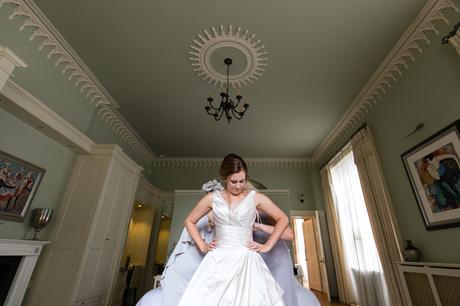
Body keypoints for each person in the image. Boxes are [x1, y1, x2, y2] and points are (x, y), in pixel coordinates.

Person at [177, 153, 288, 306]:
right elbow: (189, 221)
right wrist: (202, 245)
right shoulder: (212, 198)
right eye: (233, 181)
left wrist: (267, 245)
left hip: (246, 259)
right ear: (225, 178)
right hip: (218, 260)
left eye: (242, 181)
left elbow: (283, 218)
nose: (238, 185)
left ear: (246, 178)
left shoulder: (255, 198)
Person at [253, 213, 320, 306]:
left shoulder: (267, 210)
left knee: (281, 290)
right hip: (258, 259)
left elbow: (289, 234)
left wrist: (259, 227)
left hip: (277, 256)